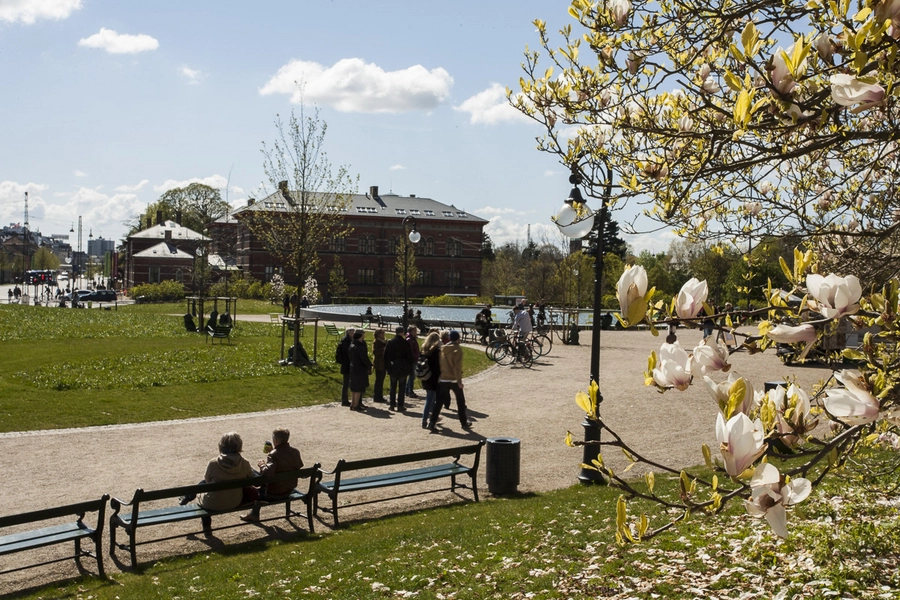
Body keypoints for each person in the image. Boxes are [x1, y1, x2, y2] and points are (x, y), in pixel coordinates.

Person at [179, 432, 253, 515]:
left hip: (212, 503)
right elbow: (249, 480)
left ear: (221, 446)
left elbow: (207, 480)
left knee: (202, 486)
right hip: (234, 501)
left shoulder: (213, 463)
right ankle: (188, 496)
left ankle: (206, 524)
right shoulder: (245, 463)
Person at [241, 428, 304, 522]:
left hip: (273, 493)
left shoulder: (273, 455)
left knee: (252, 473)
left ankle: (254, 514)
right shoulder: (295, 452)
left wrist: (262, 465)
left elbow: (268, 473)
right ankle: (254, 514)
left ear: (275, 440)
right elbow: (298, 465)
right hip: (288, 490)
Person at [427, 330, 471, 431]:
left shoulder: (443, 348)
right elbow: (457, 367)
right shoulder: (457, 350)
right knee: (460, 401)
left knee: (439, 402)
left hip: (443, 378)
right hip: (454, 379)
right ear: (458, 339)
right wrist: (459, 381)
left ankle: (432, 422)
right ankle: (464, 423)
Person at [383, 326, 414, 411]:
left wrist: (387, 367)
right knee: (402, 386)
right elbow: (410, 356)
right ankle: (400, 405)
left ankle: (392, 404)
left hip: (393, 366)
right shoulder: (405, 343)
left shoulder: (390, 342)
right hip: (403, 366)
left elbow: (386, 356)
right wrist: (409, 367)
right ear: (402, 332)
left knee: (393, 386)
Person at [419, 331, 442, 429]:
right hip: (433, 377)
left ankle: (432, 417)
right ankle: (426, 419)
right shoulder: (436, 351)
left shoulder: (424, 349)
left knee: (430, 397)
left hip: (425, 375)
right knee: (430, 399)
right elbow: (437, 366)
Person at [348, 330, 372, 411]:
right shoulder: (359, 347)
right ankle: (356, 405)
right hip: (359, 368)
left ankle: (352, 404)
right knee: (358, 388)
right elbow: (364, 358)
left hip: (353, 367)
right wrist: (369, 365)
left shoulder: (351, 345)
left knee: (354, 388)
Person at [336, 328, 355, 407]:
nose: (352, 333)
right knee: (346, 383)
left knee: (350, 382)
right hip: (346, 364)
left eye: (353, 331)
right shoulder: (345, 341)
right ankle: (344, 400)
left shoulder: (351, 340)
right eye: (351, 331)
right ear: (348, 332)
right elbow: (346, 353)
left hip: (350, 364)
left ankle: (351, 399)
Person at [372, 328, 387, 403]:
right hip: (379, 363)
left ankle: (380, 395)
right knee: (379, 380)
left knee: (382, 380)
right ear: (378, 334)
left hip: (384, 363)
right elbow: (375, 352)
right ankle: (376, 396)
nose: (383, 334)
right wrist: (383, 349)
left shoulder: (384, 341)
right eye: (382, 333)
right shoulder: (376, 341)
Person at [406, 325, 420, 398]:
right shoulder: (410, 339)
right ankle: (410, 391)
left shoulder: (413, 339)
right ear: (411, 331)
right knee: (412, 376)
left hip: (414, 359)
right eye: (415, 331)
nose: (416, 332)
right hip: (412, 360)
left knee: (412, 376)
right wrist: (416, 357)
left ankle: (407, 390)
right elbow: (411, 351)